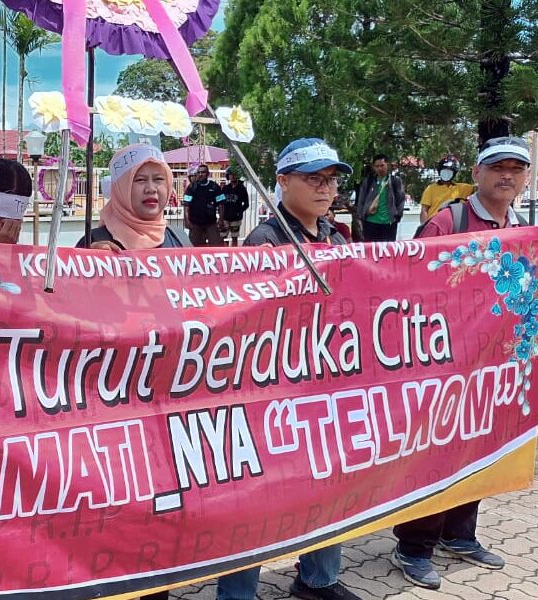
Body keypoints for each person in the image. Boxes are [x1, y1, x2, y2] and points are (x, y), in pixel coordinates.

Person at [399, 136, 538, 591]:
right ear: (477, 173)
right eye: (498, 167)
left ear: (527, 178)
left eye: (517, 168)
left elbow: (537, 295)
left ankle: (459, 534)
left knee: (479, 445)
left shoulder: (529, 230)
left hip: (496, 364)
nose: (507, 176)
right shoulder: (448, 220)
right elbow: (411, 284)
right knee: (435, 449)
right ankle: (414, 545)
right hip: (443, 362)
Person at [219, 138, 360, 600]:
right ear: (281, 181)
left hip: (328, 384)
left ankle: (319, 578)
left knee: (328, 484)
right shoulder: (266, 239)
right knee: (258, 499)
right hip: (271, 389)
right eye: (313, 179)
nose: (325, 188)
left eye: (331, 179)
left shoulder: (337, 237)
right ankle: (237, 594)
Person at [77, 144, 188, 250]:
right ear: (121, 188)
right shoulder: (93, 243)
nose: (151, 189)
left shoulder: (180, 240)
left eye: (158, 179)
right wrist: (89, 262)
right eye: (140, 180)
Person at [354, 153, 406, 242]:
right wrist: (361, 216)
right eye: (377, 166)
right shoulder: (369, 181)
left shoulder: (395, 181)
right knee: (371, 250)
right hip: (371, 222)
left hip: (389, 222)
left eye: (382, 165)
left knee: (387, 251)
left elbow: (400, 199)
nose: (379, 168)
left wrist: (397, 216)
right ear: (373, 167)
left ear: (388, 165)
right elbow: (361, 199)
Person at [419, 156, 473, 222]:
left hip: (455, 227)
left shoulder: (463, 188)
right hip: (434, 225)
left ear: (454, 173)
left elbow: (481, 188)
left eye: (449, 171)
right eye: (444, 171)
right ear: (439, 171)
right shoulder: (431, 189)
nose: (446, 173)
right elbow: (424, 210)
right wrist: (425, 228)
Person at [183, 164, 225, 247]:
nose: (200, 174)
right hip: (195, 223)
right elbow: (186, 205)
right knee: (194, 247)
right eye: (198, 172)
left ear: (208, 174)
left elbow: (221, 204)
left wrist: (221, 219)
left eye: (203, 172)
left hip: (211, 223)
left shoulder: (214, 186)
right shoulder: (191, 187)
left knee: (216, 246)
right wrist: (187, 221)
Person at [220, 168, 251, 245]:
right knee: (223, 238)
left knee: (234, 238)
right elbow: (221, 203)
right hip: (225, 218)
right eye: (231, 174)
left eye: (234, 174)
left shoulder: (242, 189)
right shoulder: (225, 188)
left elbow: (246, 204)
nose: (233, 176)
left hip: (236, 219)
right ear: (228, 176)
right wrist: (221, 217)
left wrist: (239, 211)